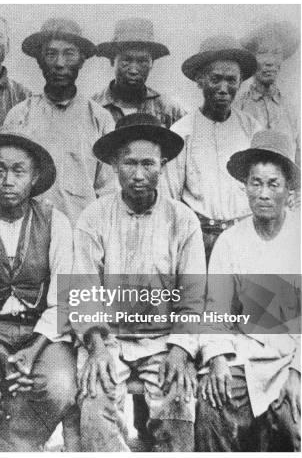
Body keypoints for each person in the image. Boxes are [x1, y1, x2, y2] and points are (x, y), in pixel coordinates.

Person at [73, 113, 206, 452]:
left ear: (162, 165)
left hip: (163, 340)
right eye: (129, 163)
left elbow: (193, 295)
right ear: (115, 164)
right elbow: (83, 291)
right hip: (109, 338)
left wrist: (180, 349)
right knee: (96, 398)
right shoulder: (94, 217)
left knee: (178, 400)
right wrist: (97, 347)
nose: (138, 174)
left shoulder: (183, 220)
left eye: (148, 164)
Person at [0, 132, 76, 452]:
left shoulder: (55, 223)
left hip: (43, 334)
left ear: (34, 178)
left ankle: (20, 446)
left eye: (18, 171)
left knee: (59, 387)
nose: (8, 180)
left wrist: (31, 352)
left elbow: (64, 299)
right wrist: (3, 355)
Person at [196, 130, 300, 452]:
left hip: (295, 354)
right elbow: (216, 310)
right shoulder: (230, 241)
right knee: (211, 405)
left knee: (298, 423)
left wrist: (298, 373)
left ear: (288, 190)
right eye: (256, 183)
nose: (264, 194)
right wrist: (217, 359)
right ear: (245, 188)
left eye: (274, 184)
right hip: (247, 353)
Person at [4, 18, 116, 225]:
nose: (59, 63)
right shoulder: (19, 116)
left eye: (69, 53)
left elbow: (108, 191)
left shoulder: (100, 119)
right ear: (39, 60)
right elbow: (6, 182)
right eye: (51, 53)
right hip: (29, 235)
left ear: (82, 60)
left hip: (82, 235)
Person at [163, 35, 261, 262]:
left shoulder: (251, 129)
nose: (224, 89)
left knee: (251, 297)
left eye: (231, 80)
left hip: (245, 235)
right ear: (200, 80)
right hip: (200, 238)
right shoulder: (182, 132)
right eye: (216, 79)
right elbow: (171, 199)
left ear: (240, 81)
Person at [92, 18, 185, 128]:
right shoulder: (92, 108)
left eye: (142, 62)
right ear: (112, 61)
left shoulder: (169, 110)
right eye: (126, 60)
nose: (133, 70)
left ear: (152, 64)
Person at [236, 21, 300, 164]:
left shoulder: (293, 110)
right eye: (262, 52)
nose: (269, 61)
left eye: (276, 53)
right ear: (251, 59)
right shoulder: (238, 108)